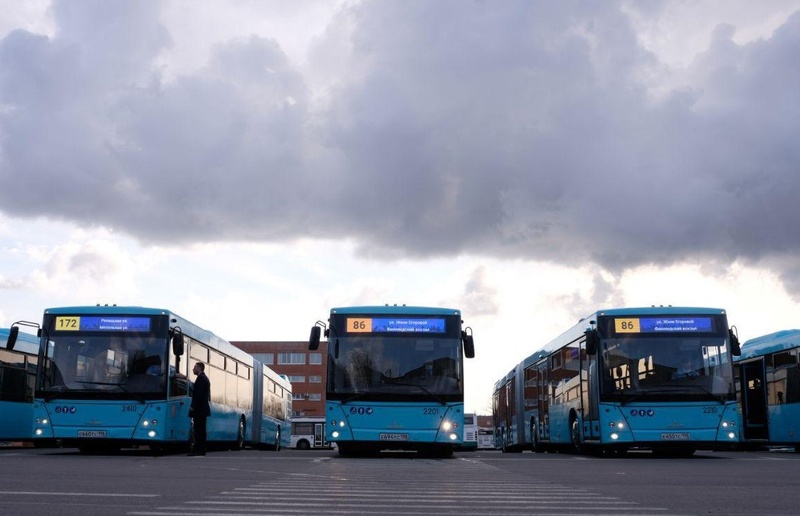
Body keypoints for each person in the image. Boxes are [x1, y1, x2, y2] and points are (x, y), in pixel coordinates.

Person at [189, 362, 211, 456]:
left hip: (199, 410)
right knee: (201, 430)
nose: (193, 369)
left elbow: (198, 395)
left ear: (199, 368)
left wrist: (193, 406)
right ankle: (201, 449)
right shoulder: (204, 378)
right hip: (202, 410)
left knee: (198, 430)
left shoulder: (201, 379)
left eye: (194, 367)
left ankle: (198, 450)